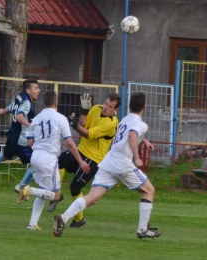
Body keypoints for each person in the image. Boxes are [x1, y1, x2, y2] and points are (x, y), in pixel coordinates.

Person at [53, 92, 161, 239]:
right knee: (149, 191)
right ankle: (142, 229)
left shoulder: (124, 120)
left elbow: (130, 134)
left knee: (92, 197)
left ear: (129, 106)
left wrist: (144, 140)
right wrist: (137, 157)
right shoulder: (141, 124)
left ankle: (63, 217)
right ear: (145, 107)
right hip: (122, 163)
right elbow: (131, 135)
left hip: (108, 162)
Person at [16, 91, 90, 230]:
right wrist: (80, 161)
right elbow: (69, 142)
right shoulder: (60, 118)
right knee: (55, 195)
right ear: (56, 103)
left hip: (35, 156)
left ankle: (32, 224)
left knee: (43, 191)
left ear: (44, 102)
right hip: (49, 158)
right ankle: (28, 190)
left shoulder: (36, 119)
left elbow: (30, 142)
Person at [48, 92, 121, 228]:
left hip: (93, 159)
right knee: (57, 162)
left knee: (75, 188)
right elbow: (84, 124)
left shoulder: (111, 124)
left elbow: (88, 134)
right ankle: (57, 193)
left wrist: (73, 124)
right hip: (80, 151)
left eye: (110, 107)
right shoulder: (97, 108)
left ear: (115, 110)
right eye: (106, 103)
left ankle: (79, 219)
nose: (106, 107)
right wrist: (84, 111)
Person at [0, 78, 40, 194]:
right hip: (21, 140)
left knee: (4, 155)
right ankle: (21, 187)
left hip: (12, 136)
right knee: (37, 164)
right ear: (28, 90)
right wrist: (30, 125)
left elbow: (10, 108)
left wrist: (2, 111)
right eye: (36, 88)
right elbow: (20, 116)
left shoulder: (19, 96)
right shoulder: (26, 102)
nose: (38, 90)